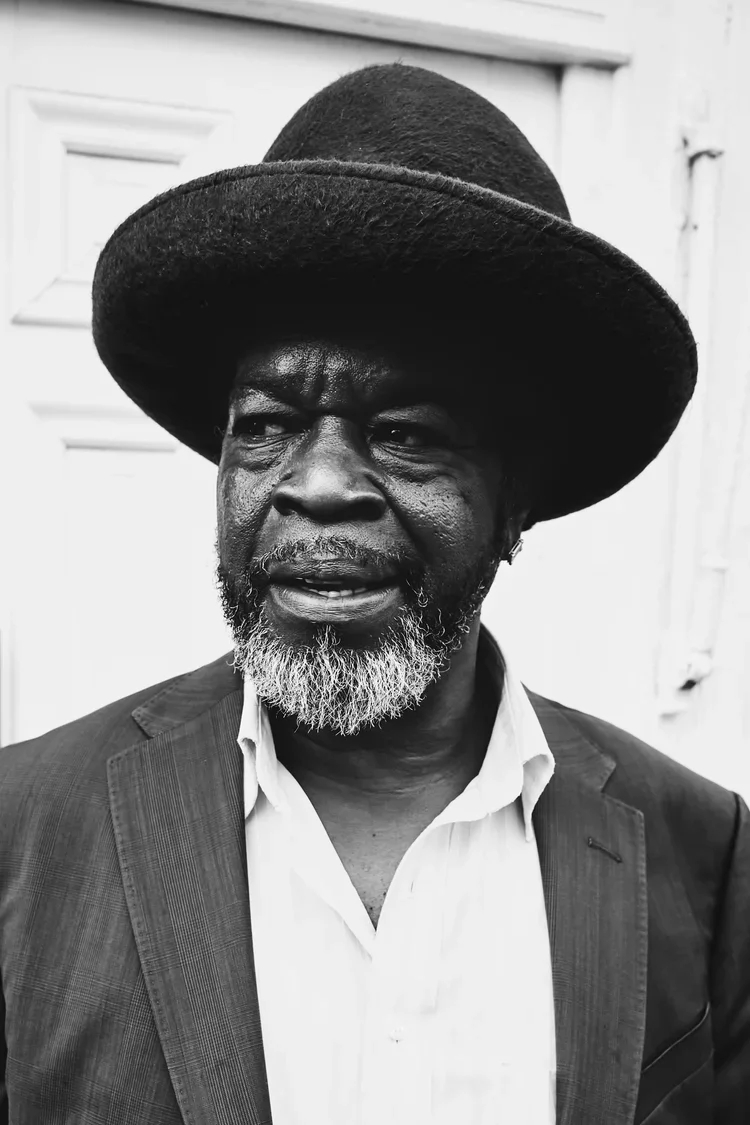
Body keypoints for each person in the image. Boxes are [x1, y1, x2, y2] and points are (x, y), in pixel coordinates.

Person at [0, 63, 747, 1125]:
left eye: (406, 434)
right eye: (264, 426)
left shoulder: (699, 853)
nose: (317, 486)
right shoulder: (21, 832)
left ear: (515, 499)